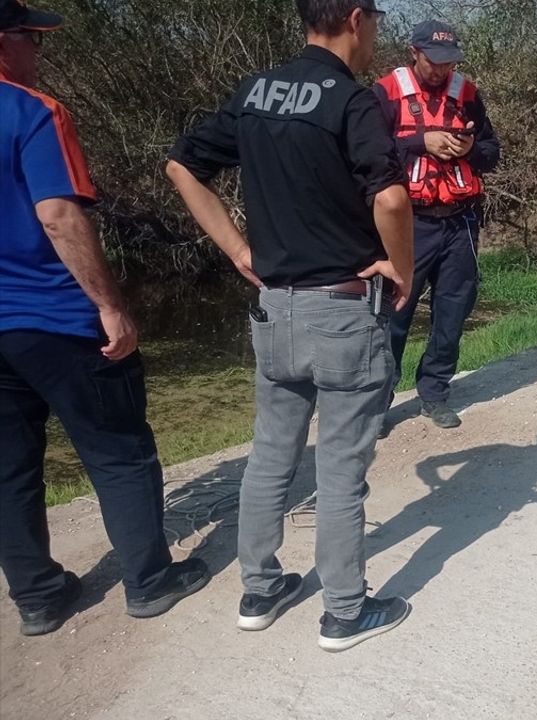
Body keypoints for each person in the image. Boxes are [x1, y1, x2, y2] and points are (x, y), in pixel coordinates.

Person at [166, 0, 414, 652]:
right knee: (339, 470)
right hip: (341, 310)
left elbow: (182, 165)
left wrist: (235, 247)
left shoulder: (256, 92)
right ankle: (344, 611)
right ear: (357, 18)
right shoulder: (351, 101)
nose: (378, 32)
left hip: (274, 310)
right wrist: (403, 266)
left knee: (270, 454)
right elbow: (390, 197)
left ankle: (260, 589)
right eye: (379, 19)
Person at [0, 0, 209, 637]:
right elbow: (59, 217)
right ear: (5, 40)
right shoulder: (32, 110)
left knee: (9, 464)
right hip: (53, 314)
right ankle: (149, 581)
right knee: (120, 451)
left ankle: (39, 598)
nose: (41, 52)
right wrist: (111, 306)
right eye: (34, 38)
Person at [371, 20, 500, 432]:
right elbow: (365, 152)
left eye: (449, 63)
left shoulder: (468, 93)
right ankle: (378, 403)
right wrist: (419, 142)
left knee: (453, 312)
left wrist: (469, 149)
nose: (441, 70)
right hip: (408, 224)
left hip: (460, 223)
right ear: (414, 52)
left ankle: (435, 392)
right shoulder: (386, 92)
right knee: (394, 315)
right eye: (434, 61)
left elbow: (491, 152)